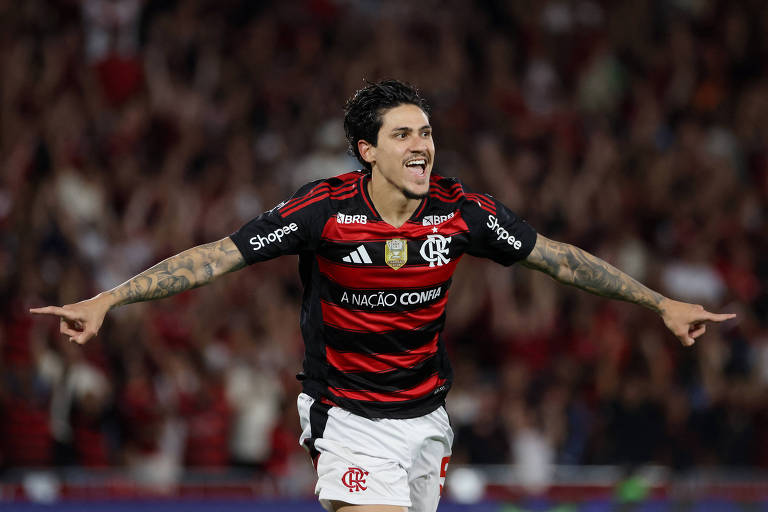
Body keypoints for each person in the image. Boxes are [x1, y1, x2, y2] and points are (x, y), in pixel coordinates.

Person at [31, 79, 736, 512]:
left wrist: (658, 303)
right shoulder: (323, 211)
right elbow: (217, 257)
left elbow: (557, 260)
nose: (422, 145)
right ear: (366, 151)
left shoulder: (462, 213)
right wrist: (110, 300)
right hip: (348, 416)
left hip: (427, 417)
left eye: (426, 132)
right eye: (403, 134)